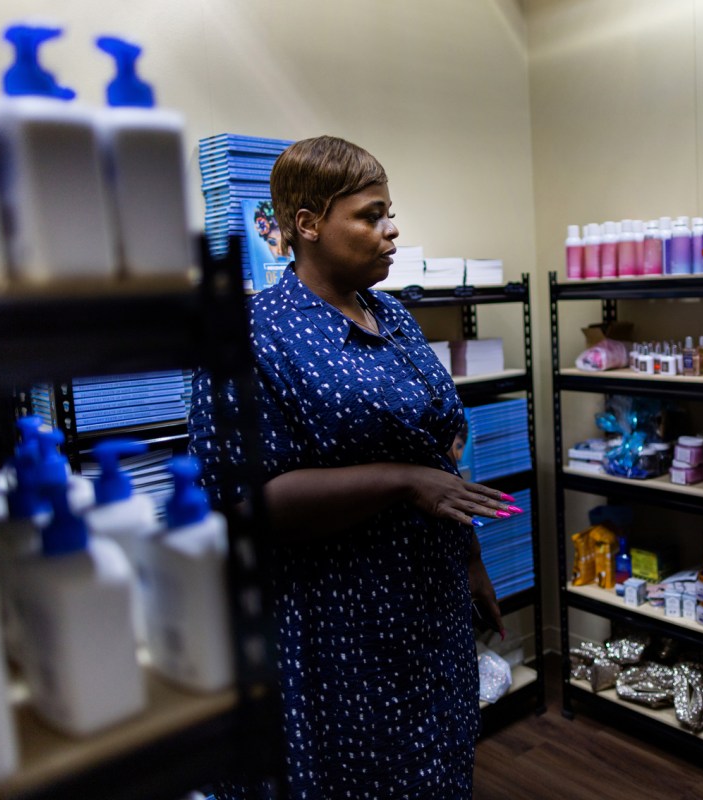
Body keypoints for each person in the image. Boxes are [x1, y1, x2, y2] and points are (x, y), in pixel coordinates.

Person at [188, 135, 516, 799]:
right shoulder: (252, 336)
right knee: (354, 778)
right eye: (370, 215)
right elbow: (244, 502)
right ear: (307, 224)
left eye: (389, 212)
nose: (391, 230)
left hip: (425, 606)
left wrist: (469, 563)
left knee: (437, 766)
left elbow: (435, 452)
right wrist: (401, 482)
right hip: (332, 624)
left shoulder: (391, 316)